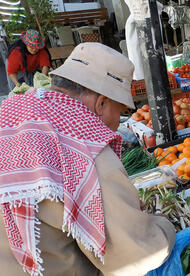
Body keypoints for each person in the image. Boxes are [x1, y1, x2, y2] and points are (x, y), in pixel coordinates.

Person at [0, 43, 176, 275]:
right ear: (101, 103)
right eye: (120, 109)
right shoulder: (83, 149)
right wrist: (164, 226)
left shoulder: (15, 112)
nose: (119, 119)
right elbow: (136, 253)